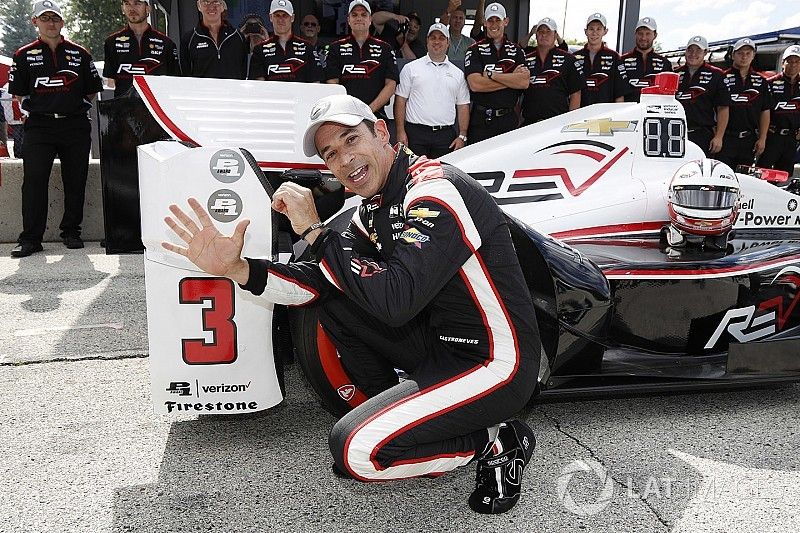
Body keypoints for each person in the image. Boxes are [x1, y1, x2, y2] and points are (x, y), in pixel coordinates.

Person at [162, 93, 540, 514]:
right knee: (336, 300)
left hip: (496, 363)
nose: (344, 159)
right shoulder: (375, 205)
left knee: (357, 452)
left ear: (381, 133)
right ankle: (401, 413)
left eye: (351, 140)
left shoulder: (436, 189)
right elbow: (319, 283)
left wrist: (315, 232)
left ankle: (496, 440)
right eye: (331, 153)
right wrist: (238, 269)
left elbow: (396, 302)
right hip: (440, 349)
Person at [8, 0, 103, 257]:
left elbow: (92, 90)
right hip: (40, 126)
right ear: (35, 22)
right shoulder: (23, 55)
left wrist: (73, 105)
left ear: (62, 22)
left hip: (75, 125)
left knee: (76, 180)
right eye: (45, 18)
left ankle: (71, 231)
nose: (50, 23)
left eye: (55, 18)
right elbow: (18, 94)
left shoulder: (80, 53)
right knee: (34, 182)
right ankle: (30, 238)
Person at [394, 23, 470, 158]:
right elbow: (400, 100)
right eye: (433, 37)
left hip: (445, 136)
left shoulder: (458, 74)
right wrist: (400, 131)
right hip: (415, 134)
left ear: (448, 43)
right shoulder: (411, 68)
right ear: (427, 41)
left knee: (441, 176)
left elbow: (463, 106)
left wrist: (462, 135)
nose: (437, 41)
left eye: (442, 38)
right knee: (414, 176)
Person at [463, 2, 528, 144]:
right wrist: (512, 80)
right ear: (484, 23)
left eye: (498, 20)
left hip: (508, 120)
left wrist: (493, 75)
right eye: (490, 20)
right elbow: (475, 84)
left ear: (506, 21)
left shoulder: (517, 51)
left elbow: (523, 82)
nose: (494, 24)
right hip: (481, 120)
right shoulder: (474, 50)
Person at [324, 0, 399, 119]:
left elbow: (391, 84)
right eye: (354, 15)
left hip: (376, 115)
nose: (359, 18)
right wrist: (349, 109)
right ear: (348, 20)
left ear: (370, 20)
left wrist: (368, 110)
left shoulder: (385, 48)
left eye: (364, 15)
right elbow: (332, 83)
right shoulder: (335, 48)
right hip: (344, 115)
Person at [103, 0, 180, 98]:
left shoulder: (167, 43)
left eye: (137, 3)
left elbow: (175, 81)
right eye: (127, 4)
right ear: (122, 8)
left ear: (148, 8)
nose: (132, 8)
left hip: (156, 108)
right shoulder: (111, 42)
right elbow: (110, 82)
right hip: (124, 109)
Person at [717, 38, 771, 169]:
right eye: (740, 53)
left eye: (748, 53)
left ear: (753, 56)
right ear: (733, 55)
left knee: (745, 179)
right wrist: (718, 136)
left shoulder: (761, 81)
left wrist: (762, 138)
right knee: (723, 176)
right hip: (726, 138)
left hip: (749, 139)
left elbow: (765, 110)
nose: (744, 57)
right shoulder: (721, 78)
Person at [674, 35, 730, 156]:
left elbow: (723, 108)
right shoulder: (675, 74)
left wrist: (719, 137)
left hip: (702, 135)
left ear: (705, 52)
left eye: (698, 50)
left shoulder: (717, 75)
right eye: (690, 49)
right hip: (676, 133)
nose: (693, 53)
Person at [520, 17, 581, 125]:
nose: (544, 35)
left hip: (557, 124)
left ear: (555, 35)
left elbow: (575, 94)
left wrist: (571, 123)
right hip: (529, 124)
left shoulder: (568, 59)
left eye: (548, 32)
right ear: (536, 34)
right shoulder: (525, 60)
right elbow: (516, 93)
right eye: (541, 31)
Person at [249, 0, 321, 83]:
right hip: (272, 95)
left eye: (285, 15)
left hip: (300, 95)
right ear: (271, 17)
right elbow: (259, 86)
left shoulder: (308, 48)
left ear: (292, 18)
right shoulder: (259, 50)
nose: (281, 20)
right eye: (277, 15)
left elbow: (316, 84)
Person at [758, 45, 800, 175]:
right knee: (763, 174)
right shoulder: (769, 83)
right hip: (772, 137)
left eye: (797, 61)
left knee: (785, 176)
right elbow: (760, 109)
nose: (793, 65)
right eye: (790, 61)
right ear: (783, 63)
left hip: (792, 138)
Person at [180, 0, 248, 79]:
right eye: (206, 2)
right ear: (199, 6)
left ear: (222, 7)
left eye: (216, 2)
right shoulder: (188, 39)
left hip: (232, 91)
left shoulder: (238, 37)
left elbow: (243, 73)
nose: (211, 7)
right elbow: (186, 76)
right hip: (201, 91)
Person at [572, 13, 630, 106]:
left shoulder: (614, 57)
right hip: (580, 115)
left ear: (605, 31)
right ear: (585, 31)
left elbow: (620, 93)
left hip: (605, 115)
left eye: (599, 29)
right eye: (591, 29)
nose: (594, 33)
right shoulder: (574, 57)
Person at [618, 17, 672, 102]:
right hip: (628, 112)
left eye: (648, 34)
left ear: (655, 35)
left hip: (655, 112)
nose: (643, 38)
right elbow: (618, 91)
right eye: (640, 33)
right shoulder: (622, 60)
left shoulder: (665, 63)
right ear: (635, 34)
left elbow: (669, 95)